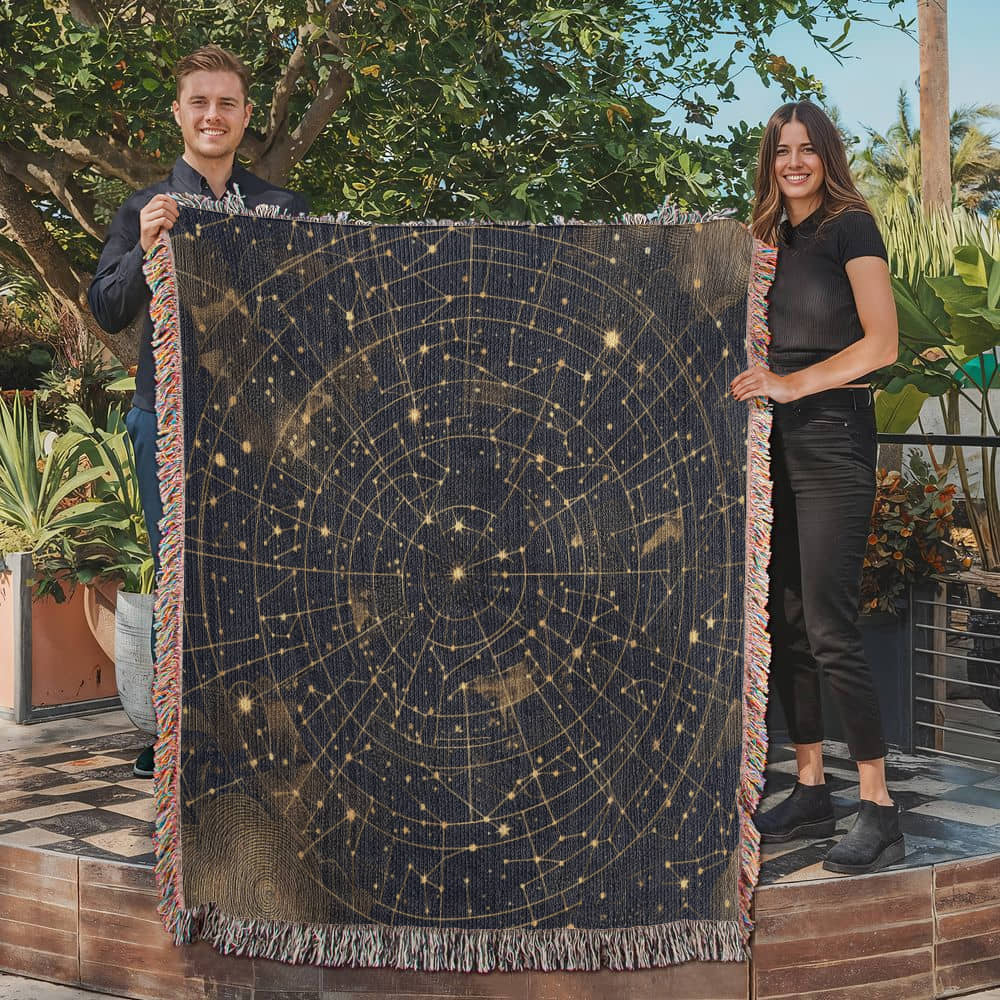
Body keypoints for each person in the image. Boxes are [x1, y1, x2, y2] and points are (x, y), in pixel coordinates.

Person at [88, 45, 307, 778]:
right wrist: (145, 248)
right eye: (200, 102)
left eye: (227, 103)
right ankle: (178, 736)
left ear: (246, 116)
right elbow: (107, 308)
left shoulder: (282, 212)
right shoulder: (145, 208)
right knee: (180, 575)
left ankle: (246, 731)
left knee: (254, 574)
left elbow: (314, 319)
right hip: (167, 420)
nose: (213, 115)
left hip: (258, 426)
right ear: (179, 113)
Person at [730, 101, 902, 875]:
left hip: (833, 438)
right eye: (781, 151)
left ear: (827, 154)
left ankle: (879, 808)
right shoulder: (768, 240)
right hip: (773, 443)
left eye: (806, 148)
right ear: (768, 162)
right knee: (788, 621)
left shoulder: (850, 226)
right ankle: (809, 787)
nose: (794, 162)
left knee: (831, 625)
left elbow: (883, 342)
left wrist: (793, 384)